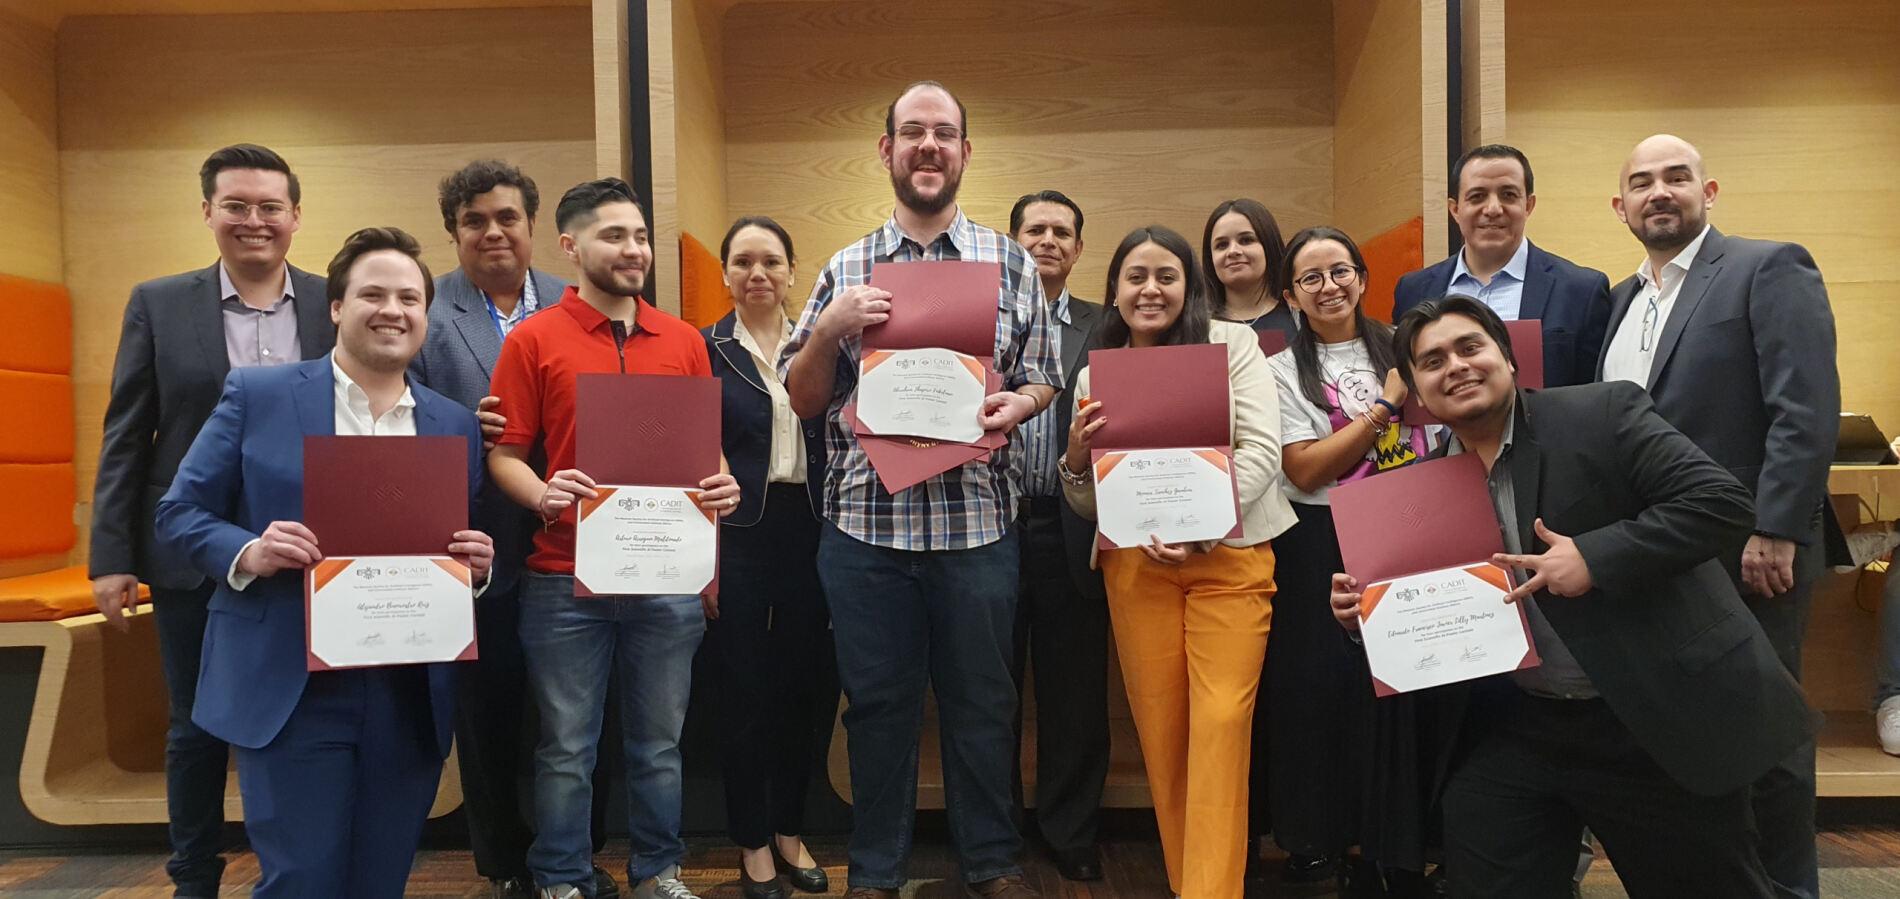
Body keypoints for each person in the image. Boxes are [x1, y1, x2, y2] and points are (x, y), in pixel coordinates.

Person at [1332, 295, 1813, 898]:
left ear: (1508, 360)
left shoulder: (1601, 411)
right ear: (1420, 398)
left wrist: (1596, 557)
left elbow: (1720, 504)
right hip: (1518, 726)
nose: (1454, 366)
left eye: (1469, 347)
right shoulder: (1415, 491)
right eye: (1432, 362)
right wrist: (1364, 617)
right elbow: (1422, 630)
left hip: (1649, 716)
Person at [153, 227, 496, 897]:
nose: (392, 309)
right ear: (336, 307)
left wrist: (479, 565)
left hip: (406, 690)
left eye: (408, 298)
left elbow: (463, 538)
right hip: (292, 684)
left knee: (379, 879)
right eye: (372, 293)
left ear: (426, 316)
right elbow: (177, 514)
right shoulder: (258, 395)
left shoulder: (453, 424)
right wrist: (249, 549)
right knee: (302, 879)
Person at [779, 80, 1059, 899]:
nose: (928, 146)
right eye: (912, 133)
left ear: (966, 153)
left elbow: (1043, 374)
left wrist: (1022, 401)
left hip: (978, 531)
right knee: (877, 711)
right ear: (887, 151)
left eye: (944, 134)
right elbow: (802, 399)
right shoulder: (846, 265)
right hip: (866, 537)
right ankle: (875, 871)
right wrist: (831, 327)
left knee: (983, 707)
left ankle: (993, 864)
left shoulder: (1009, 261)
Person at [89, 143, 333, 899]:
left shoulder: (335, 300)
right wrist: (111, 554)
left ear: (296, 215)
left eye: (270, 206)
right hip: (191, 547)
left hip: (307, 548)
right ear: (208, 213)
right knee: (195, 726)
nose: (253, 221)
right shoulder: (158, 303)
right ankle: (194, 875)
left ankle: (306, 861)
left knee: (304, 718)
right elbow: (128, 434)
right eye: (236, 205)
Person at [486, 178, 742, 899]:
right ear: (570, 246)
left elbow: (704, 452)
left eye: (639, 236)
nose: (633, 250)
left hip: (668, 579)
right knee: (567, 748)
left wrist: (721, 483)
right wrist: (542, 493)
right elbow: (505, 452)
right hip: (562, 578)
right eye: (614, 236)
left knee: (660, 746)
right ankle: (562, 877)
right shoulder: (534, 339)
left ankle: (659, 871)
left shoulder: (685, 341)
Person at [1600, 134, 1840, 899]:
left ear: (1710, 191)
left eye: (1677, 177)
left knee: (1765, 738)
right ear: (1621, 205)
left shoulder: (1767, 268)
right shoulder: (1621, 298)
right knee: (1687, 737)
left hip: (1749, 550)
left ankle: (1788, 890)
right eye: (1642, 182)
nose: (1659, 191)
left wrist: (1779, 527)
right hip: (1656, 554)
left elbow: (1804, 409)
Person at [1059, 225, 1294, 899]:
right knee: (1164, 740)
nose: (1150, 289)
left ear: (1189, 285)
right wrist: (1076, 457)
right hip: (1136, 571)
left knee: (1220, 726)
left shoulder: (1232, 344)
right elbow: (1085, 503)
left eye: (1166, 275)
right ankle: (1196, 883)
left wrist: (1199, 526)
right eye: (1135, 277)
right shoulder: (1096, 368)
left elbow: (1259, 451)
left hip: (1232, 560)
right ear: (1115, 291)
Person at [408, 159, 618, 899]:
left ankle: (577, 853)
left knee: (578, 715)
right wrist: (470, 430)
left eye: (506, 217)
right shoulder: (426, 312)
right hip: (479, 545)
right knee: (491, 708)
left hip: (584, 543)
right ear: (455, 233)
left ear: (535, 228)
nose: (492, 231)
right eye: (474, 221)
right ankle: (504, 864)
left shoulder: (582, 299)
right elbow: (402, 426)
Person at [1265, 226, 1431, 888]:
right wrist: (1386, 407)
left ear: (1362, 278)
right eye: (1311, 278)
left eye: (1341, 271)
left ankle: (1395, 846)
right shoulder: (1279, 368)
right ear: (1290, 295)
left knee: (1401, 690)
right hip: (1317, 538)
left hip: (1413, 527)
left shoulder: (1409, 346)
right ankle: (1315, 841)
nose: (1329, 286)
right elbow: (1304, 469)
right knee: (1316, 691)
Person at [701, 216, 834, 899]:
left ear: (791, 273)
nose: (758, 273)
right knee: (744, 691)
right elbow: (693, 448)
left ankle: (790, 827)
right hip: (737, 532)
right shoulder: (703, 349)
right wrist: (709, 561)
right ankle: (752, 840)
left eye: (771, 261)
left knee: (803, 689)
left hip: (813, 529)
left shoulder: (819, 344)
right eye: (743, 261)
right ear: (725, 274)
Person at [1004, 189, 1109, 882]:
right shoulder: (980, 323)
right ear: (1012, 243)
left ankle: (1070, 830)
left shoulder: (1109, 326)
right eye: (1033, 229)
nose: (1047, 239)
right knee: (991, 689)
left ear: (1077, 248)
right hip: (991, 527)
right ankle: (997, 834)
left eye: (1060, 231)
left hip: (1077, 523)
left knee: (1076, 692)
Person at [1392, 144, 1611, 387]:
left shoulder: (1581, 290)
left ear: (1528, 205)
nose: (1493, 209)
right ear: (1455, 209)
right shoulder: (1412, 291)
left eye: (1508, 195)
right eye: (1477, 197)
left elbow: (1594, 396)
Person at [1202, 198, 1296, 340]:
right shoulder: (1196, 326)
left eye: (1246, 240)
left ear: (1268, 246)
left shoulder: (1301, 318)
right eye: (1222, 245)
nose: (1233, 251)